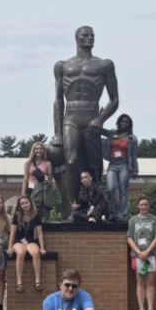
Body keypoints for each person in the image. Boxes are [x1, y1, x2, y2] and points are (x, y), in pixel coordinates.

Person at [52, 25, 119, 217]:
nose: (89, 38)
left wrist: (101, 118)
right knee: (71, 161)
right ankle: (74, 206)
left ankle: (96, 207)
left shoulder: (104, 65)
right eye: (85, 35)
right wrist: (57, 131)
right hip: (71, 116)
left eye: (92, 36)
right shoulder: (62, 65)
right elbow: (57, 100)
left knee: (95, 165)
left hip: (91, 115)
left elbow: (114, 100)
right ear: (77, 39)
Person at [127, 196, 156, 310]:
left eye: (146, 204)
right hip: (138, 256)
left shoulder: (155, 220)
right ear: (138, 206)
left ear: (149, 206)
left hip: (151, 256)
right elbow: (129, 238)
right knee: (140, 282)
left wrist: (147, 252)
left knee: (150, 282)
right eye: (141, 205)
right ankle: (141, 309)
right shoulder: (133, 220)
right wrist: (139, 252)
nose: (143, 207)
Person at [101, 113, 138, 221]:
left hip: (124, 165)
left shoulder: (132, 138)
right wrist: (101, 117)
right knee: (111, 188)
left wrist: (135, 170)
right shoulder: (112, 133)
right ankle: (112, 212)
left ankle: (123, 214)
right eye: (122, 121)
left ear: (130, 124)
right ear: (118, 123)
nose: (124, 123)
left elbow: (134, 155)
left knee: (123, 190)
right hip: (112, 164)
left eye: (127, 122)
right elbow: (101, 131)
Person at [8, 195, 47, 292]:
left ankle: (37, 281)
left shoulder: (36, 215)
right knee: (21, 253)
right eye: (22, 203)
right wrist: (9, 247)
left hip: (30, 240)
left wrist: (42, 248)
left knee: (36, 252)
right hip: (18, 241)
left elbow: (39, 233)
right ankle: (19, 282)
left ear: (30, 203)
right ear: (19, 205)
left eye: (26, 202)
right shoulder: (17, 216)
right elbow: (12, 233)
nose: (25, 205)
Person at [22, 142, 54, 220]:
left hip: (41, 190)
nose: (38, 150)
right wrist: (23, 193)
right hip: (30, 188)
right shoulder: (28, 163)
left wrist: (43, 176)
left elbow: (50, 179)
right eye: (36, 149)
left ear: (43, 150)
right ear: (33, 150)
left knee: (40, 212)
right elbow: (25, 178)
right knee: (29, 210)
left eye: (40, 149)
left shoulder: (48, 163)